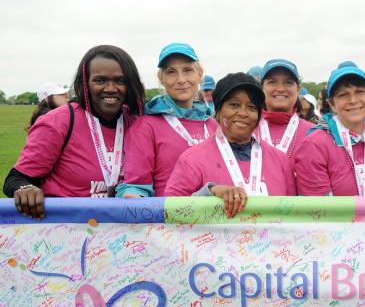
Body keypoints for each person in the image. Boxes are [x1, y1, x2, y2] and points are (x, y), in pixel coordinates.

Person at [3, 45, 145, 218]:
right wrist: (25, 189)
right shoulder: (58, 122)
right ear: (84, 83)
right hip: (67, 234)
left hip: (120, 234)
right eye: (100, 80)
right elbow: (16, 178)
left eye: (120, 80)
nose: (110, 88)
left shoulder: (136, 123)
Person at [165, 73, 296, 217]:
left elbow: (294, 214)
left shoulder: (280, 160)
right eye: (234, 105)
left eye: (252, 107)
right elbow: (171, 213)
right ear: (218, 111)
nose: (243, 113)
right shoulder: (191, 160)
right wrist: (210, 192)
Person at [116, 43, 217, 198]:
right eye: (171, 72)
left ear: (200, 74)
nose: (181, 79)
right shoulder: (145, 127)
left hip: (216, 219)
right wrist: (133, 196)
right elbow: (136, 186)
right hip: (170, 219)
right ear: (161, 79)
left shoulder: (212, 125)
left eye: (188, 70)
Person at [294, 65, 365, 196]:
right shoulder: (315, 145)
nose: (353, 100)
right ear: (332, 104)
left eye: (359, 92)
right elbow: (316, 212)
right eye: (343, 95)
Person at [256, 59, 314, 164]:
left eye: (288, 82)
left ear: (298, 89)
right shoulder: (247, 129)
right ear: (262, 88)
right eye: (272, 82)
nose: (280, 89)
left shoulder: (313, 133)